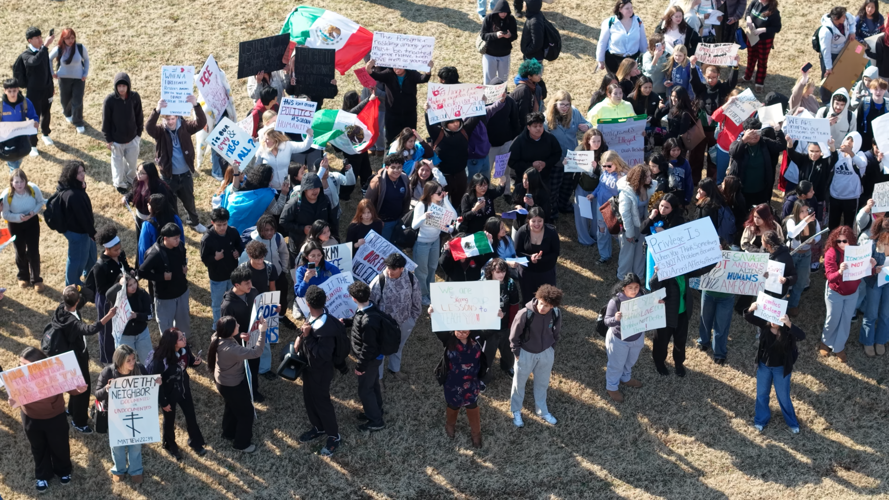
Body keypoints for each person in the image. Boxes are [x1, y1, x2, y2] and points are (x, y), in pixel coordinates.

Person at [10, 347, 88, 493]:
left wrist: (79, 390)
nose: (22, 369)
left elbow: (72, 389)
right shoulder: (17, 378)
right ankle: (43, 475)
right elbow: (15, 401)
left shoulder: (54, 373)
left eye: (27, 366)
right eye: (21, 365)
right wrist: (13, 401)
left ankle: (63, 470)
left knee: (60, 446)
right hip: (31, 419)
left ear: (40, 364)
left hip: (55, 418)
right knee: (38, 448)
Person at [53, 285, 117, 433]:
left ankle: (71, 410)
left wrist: (76, 288)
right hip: (76, 357)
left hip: (69, 356)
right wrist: (108, 315)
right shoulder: (73, 322)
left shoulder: (61, 308)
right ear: (77, 301)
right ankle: (79, 421)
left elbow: (88, 293)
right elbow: (91, 329)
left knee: (74, 385)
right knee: (82, 389)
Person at [95, 345, 158, 484]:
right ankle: (119, 469)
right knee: (117, 446)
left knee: (135, 445)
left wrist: (156, 383)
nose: (132, 363)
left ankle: (136, 470)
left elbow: (149, 385)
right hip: (115, 415)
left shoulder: (139, 368)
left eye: (133, 359)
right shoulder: (108, 372)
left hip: (135, 412)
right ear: (119, 360)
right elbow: (97, 395)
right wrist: (107, 388)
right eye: (128, 360)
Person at [145, 96, 208, 233]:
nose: (171, 122)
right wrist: (157, 110)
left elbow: (201, 122)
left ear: (178, 118)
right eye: (168, 119)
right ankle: (175, 224)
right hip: (168, 176)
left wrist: (196, 105)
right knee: (170, 203)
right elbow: (149, 128)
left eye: (173, 119)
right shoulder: (160, 131)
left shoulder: (185, 126)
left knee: (189, 201)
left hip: (185, 174)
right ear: (163, 119)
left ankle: (194, 222)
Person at [208, 315, 266, 453]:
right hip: (232, 385)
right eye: (236, 325)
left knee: (231, 406)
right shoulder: (231, 350)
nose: (239, 325)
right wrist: (262, 332)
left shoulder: (217, 337)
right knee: (246, 414)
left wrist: (240, 336)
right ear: (229, 331)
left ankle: (228, 433)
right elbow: (257, 352)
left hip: (223, 382)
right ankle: (241, 444)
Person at [744, 302, 804, 433]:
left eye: (776, 319)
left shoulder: (788, 332)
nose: (772, 321)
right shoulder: (765, 326)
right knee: (761, 394)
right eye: (771, 318)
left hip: (781, 369)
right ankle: (760, 419)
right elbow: (748, 317)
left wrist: (789, 324)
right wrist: (751, 308)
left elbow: (801, 336)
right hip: (764, 366)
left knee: (783, 397)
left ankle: (792, 422)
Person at [297, 285, 343, 455]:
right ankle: (319, 427)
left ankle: (333, 435)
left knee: (322, 402)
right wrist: (300, 337)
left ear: (308, 303)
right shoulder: (316, 315)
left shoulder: (327, 329)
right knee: (309, 398)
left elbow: (323, 354)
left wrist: (308, 337)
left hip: (321, 372)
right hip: (309, 369)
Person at [508, 284, 562, 427]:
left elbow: (556, 333)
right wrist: (517, 353)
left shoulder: (556, 313)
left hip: (546, 353)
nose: (542, 307)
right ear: (537, 298)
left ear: (552, 306)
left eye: (547, 306)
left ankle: (542, 411)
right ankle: (516, 410)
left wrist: (551, 349)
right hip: (525, 353)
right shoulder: (525, 313)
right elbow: (514, 336)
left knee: (542, 383)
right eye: (541, 303)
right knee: (519, 384)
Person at [150, 328, 206, 460]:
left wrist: (195, 362)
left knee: (191, 415)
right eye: (181, 338)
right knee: (169, 420)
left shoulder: (184, 349)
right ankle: (170, 445)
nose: (184, 339)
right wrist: (163, 402)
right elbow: (156, 383)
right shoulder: (159, 359)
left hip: (183, 388)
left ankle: (195, 442)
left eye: (183, 336)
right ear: (173, 342)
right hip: (169, 392)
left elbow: (189, 362)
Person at [821, 226, 874, 362]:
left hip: (852, 293)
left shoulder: (857, 253)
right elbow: (830, 277)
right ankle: (826, 342)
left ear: (851, 240)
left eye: (845, 241)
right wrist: (839, 272)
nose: (842, 244)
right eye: (838, 241)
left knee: (846, 320)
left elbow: (866, 273)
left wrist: (872, 267)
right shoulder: (831, 253)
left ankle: (839, 347)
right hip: (835, 292)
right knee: (833, 318)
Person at [84, 226, 133, 364]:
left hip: (121, 296)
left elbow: (126, 268)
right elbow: (102, 289)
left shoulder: (120, 255)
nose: (119, 252)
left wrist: (131, 273)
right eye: (115, 250)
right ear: (107, 249)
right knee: (108, 331)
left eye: (119, 249)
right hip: (107, 301)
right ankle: (108, 359)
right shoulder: (100, 266)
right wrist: (119, 283)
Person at [369, 253, 422, 380]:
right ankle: (379, 378)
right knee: (380, 350)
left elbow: (416, 299)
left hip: (404, 322)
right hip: (384, 326)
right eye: (388, 267)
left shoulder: (411, 278)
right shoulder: (379, 281)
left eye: (394, 268)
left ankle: (394, 369)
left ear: (402, 268)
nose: (390, 271)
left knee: (398, 346)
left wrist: (412, 319)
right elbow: (371, 305)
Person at [603, 273, 651, 401]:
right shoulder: (616, 301)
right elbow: (606, 321)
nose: (634, 291)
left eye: (636, 287)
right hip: (619, 339)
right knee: (616, 364)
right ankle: (611, 387)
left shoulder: (643, 297)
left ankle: (625, 378)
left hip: (637, 336)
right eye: (630, 287)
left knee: (630, 361)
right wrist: (615, 319)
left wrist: (657, 304)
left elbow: (650, 309)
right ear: (624, 287)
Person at [220, 265, 265, 402]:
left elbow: (260, 309)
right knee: (242, 371)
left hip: (253, 338)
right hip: (238, 345)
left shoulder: (253, 292)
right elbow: (224, 331)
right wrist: (239, 336)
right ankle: (245, 392)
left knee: (254, 365)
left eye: (250, 281)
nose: (250, 285)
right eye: (247, 283)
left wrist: (273, 309)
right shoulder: (227, 306)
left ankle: (254, 390)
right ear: (237, 285)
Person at [139, 223, 191, 339]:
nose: (178, 241)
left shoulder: (180, 246)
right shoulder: (155, 253)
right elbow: (142, 272)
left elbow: (183, 256)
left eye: (179, 237)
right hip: (165, 296)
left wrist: (184, 266)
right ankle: (169, 347)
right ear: (165, 238)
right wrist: (161, 277)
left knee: (183, 321)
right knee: (166, 325)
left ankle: (183, 342)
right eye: (175, 238)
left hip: (182, 291)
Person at [366, 57, 433, 145]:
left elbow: (423, 78)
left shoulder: (411, 73)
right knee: (391, 140)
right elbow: (375, 75)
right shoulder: (388, 74)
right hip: (392, 114)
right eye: (394, 66)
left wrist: (428, 70)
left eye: (399, 66)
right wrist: (368, 68)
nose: (396, 68)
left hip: (409, 114)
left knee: (410, 139)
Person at [545, 91, 592, 212]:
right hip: (556, 159)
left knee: (568, 185)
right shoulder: (546, 118)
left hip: (572, 158)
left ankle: (564, 205)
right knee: (554, 188)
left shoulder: (574, 112)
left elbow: (588, 124)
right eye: (562, 104)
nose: (565, 108)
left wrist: (587, 127)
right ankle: (553, 211)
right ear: (555, 104)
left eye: (568, 104)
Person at [280, 172, 339, 267]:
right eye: (311, 188)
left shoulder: (325, 200)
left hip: (322, 245)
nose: (315, 191)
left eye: (317, 187)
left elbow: (332, 220)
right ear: (304, 189)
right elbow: (283, 221)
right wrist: (302, 229)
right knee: (300, 269)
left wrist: (335, 238)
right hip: (299, 243)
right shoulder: (293, 204)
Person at [440, 328, 486, 447]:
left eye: (465, 332)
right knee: (453, 404)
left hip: (471, 381)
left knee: (472, 405)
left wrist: (498, 316)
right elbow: (437, 328)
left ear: (470, 331)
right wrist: (431, 313)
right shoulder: (449, 339)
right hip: (453, 382)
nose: (461, 334)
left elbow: (492, 330)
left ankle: (476, 433)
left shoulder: (477, 338)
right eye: (458, 331)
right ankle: (450, 425)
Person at [412, 181, 456, 304]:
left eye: (442, 191)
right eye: (439, 192)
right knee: (422, 271)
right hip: (422, 243)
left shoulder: (441, 204)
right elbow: (414, 225)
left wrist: (446, 199)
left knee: (432, 267)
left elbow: (454, 216)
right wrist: (424, 217)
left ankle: (430, 291)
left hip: (435, 241)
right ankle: (422, 294)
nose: (442, 194)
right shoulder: (422, 205)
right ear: (430, 193)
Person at [727, 116, 786, 207]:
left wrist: (777, 129)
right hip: (742, 191)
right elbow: (733, 152)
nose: (755, 135)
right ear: (744, 132)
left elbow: (781, 145)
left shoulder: (764, 142)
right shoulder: (739, 143)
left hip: (761, 191)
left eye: (758, 132)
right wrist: (744, 140)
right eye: (751, 133)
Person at [13, 27, 55, 154]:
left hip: (46, 90)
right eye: (37, 38)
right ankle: (32, 145)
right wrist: (46, 46)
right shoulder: (26, 55)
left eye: (40, 37)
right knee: (33, 118)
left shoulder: (43, 51)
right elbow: (34, 61)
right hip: (33, 93)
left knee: (46, 113)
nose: (40, 40)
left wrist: (51, 86)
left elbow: (47, 70)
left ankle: (46, 134)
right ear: (29, 40)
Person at [1, 168, 45, 291]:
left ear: (26, 181)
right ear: (11, 183)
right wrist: (18, 217)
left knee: (33, 251)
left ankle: (36, 279)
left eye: (22, 181)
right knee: (20, 250)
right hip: (15, 225)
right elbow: (5, 214)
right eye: (16, 182)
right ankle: (23, 277)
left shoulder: (33, 189)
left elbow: (40, 202)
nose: (19, 185)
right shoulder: (6, 195)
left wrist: (33, 213)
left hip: (32, 223)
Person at [200, 208, 244, 326]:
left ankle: (233, 323)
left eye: (224, 224)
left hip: (233, 275)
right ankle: (217, 325)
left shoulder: (233, 232)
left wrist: (237, 252)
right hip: (217, 278)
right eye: (219, 225)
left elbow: (240, 245)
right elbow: (204, 259)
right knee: (218, 303)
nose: (222, 228)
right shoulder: (207, 239)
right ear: (212, 222)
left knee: (234, 299)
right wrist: (215, 258)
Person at [102, 72, 144, 194]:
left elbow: (139, 115)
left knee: (132, 163)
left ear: (128, 86)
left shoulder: (135, 97)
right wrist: (108, 139)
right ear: (115, 87)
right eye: (119, 86)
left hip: (132, 139)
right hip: (116, 141)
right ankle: (119, 184)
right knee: (117, 165)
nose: (121, 89)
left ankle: (131, 181)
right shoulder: (109, 101)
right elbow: (106, 121)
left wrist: (138, 135)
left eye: (124, 86)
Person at [57, 161, 97, 287]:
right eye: (78, 173)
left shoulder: (70, 187)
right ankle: (71, 287)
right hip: (78, 233)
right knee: (77, 261)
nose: (82, 174)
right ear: (71, 175)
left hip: (81, 231)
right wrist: (92, 233)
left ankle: (91, 279)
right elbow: (83, 217)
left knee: (90, 256)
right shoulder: (74, 195)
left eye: (82, 171)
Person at [508, 112, 563, 203]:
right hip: (524, 180)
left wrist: (546, 163)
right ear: (528, 127)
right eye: (535, 126)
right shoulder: (519, 141)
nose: (538, 129)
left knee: (543, 202)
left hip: (544, 178)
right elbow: (512, 161)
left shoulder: (550, 138)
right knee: (523, 203)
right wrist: (530, 165)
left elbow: (557, 153)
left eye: (540, 126)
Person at [857, 202, 889, 356]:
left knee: (886, 314)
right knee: (871, 313)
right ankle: (868, 340)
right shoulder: (871, 244)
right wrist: (872, 268)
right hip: (875, 282)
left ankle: (881, 340)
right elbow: (862, 268)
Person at [618, 163, 657, 279]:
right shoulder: (626, 192)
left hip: (644, 224)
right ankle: (623, 277)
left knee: (641, 250)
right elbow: (625, 214)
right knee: (628, 251)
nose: (651, 179)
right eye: (648, 177)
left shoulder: (651, 186)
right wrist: (629, 233)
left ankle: (638, 276)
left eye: (650, 176)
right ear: (639, 179)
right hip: (630, 225)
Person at [571, 129, 609, 248]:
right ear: (588, 140)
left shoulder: (605, 151)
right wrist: (567, 163)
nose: (597, 144)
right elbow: (572, 168)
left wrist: (597, 168)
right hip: (582, 185)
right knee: (582, 212)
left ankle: (595, 235)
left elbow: (607, 170)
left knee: (596, 212)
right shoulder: (580, 150)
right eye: (594, 141)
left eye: (599, 141)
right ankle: (584, 238)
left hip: (598, 188)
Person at [784, 201, 822, 316]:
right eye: (802, 211)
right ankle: (781, 304)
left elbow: (819, 234)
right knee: (786, 280)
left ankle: (792, 305)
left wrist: (814, 240)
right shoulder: (791, 220)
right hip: (792, 254)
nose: (805, 214)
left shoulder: (813, 221)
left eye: (807, 210)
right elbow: (791, 233)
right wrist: (805, 222)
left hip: (806, 254)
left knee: (801, 282)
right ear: (796, 211)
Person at [515, 206, 560, 301]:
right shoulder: (522, 232)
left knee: (546, 299)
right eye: (533, 221)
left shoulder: (551, 232)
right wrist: (530, 257)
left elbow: (555, 252)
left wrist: (541, 259)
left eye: (539, 221)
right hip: (526, 272)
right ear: (528, 220)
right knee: (528, 299)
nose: (537, 224)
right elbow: (517, 252)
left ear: (544, 220)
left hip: (546, 272)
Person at [105, 275, 153, 363]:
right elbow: (108, 295)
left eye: (135, 283)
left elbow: (150, 315)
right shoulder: (118, 296)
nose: (134, 286)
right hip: (124, 336)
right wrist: (120, 284)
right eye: (129, 285)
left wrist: (137, 316)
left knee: (148, 361)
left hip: (142, 334)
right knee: (125, 363)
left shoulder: (142, 293)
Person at [49, 28, 89, 134]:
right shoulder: (59, 49)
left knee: (77, 99)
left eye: (72, 37)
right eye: (67, 38)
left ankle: (78, 121)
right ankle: (67, 113)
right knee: (65, 98)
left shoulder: (80, 48)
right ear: (63, 39)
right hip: (64, 78)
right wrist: (52, 72)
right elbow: (49, 59)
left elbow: (86, 59)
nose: (70, 40)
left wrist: (85, 73)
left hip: (79, 78)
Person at [592, 151, 628, 264]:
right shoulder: (604, 173)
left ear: (616, 163)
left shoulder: (622, 176)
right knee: (601, 231)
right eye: (604, 165)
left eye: (609, 165)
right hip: (601, 206)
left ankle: (625, 255)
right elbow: (600, 186)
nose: (606, 168)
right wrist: (593, 194)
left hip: (613, 209)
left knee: (616, 233)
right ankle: (604, 255)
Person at [365, 155, 411, 242]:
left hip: (399, 220)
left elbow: (407, 199)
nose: (396, 170)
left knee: (397, 244)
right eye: (393, 167)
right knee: (383, 247)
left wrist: (405, 217)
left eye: (399, 167)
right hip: (384, 223)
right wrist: (376, 220)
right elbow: (367, 203)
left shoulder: (404, 178)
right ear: (386, 167)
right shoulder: (377, 181)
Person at [827, 132, 867, 230]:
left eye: (852, 140)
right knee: (833, 224)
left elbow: (862, 164)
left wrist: (851, 153)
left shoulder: (860, 154)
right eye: (848, 139)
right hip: (835, 195)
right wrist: (831, 146)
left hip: (851, 197)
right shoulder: (837, 153)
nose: (849, 142)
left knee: (849, 226)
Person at [598, 0, 648, 74]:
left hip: (633, 60)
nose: (630, 10)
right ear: (620, 9)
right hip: (614, 60)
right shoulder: (610, 22)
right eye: (627, 8)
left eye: (631, 7)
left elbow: (642, 39)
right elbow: (602, 42)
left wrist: (645, 55)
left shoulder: (637, 21)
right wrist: (600, 60)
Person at [819, 7, 858, 103]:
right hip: (831, 55)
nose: (845, 17)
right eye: (843, 16)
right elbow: (825, 51)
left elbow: (853, 22)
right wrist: (828, 67)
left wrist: (852, 31)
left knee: (841, 75)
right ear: (836, 18)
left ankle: (838, 96)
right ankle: (826, 100)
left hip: (844, 50)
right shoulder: (826, 31)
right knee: (828, 78)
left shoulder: (847, 17)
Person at [742, 0, 782, 92]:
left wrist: (763, 30)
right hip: (751, 36)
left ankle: (759, 82)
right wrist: (748, 18)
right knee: (750, 57)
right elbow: (748, 11)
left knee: (762, 61)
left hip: (764, 40)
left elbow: (777, 27)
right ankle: (747, 77)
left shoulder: (774, 11)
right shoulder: (754, 3)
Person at [1, 78, 39, 172]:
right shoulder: (1, 105)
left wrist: (35, 123)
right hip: (6, 138)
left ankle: (15, 175)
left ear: (18, 89)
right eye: (9, 91)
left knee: (18, 159)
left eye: (14, 91)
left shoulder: (26, 102)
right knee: (14, 165)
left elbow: (33, 116)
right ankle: (15, 178)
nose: (12, 94)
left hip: (21, 137)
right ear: (5, 91)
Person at [137, 193, 184, 266]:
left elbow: (143, 247)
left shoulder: (147, 225)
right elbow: (181, 239)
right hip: (175, 259)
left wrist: (143, 265)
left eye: (149, 203)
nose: (147, 205)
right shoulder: (175, 219)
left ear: (155, 207)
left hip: (157, 262)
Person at [125, 162, 173, 232]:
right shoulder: (137, 180)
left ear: (150, 174)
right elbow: (133, 191)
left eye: (142, 173)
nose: (138, 174)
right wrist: (127, 197)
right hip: (140, 217)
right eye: (137, 170)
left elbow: (167, 204)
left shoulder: (160, 187)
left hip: (155, 221)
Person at [710, 93, 746, 183]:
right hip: (724, 147)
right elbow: (715, 116)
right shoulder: (727, 110)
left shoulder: (750, 112)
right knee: (720, 177)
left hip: (740, 148)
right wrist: (728, 104)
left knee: (737, 177)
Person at [481, 0, 518, 84]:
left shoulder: (511, 19)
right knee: (489, 80)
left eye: (505, 12)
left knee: (503, 80)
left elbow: (515, 36)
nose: (503, 14)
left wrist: (509, 36)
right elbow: (483, 35)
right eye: (501, 12)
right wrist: (495, 35)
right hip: (490, 54)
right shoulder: (489, 18)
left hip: (505, 55)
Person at [511, 59, 546, 130]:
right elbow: (523, 115)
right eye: (536, 74)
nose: (540, 75)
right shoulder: (523, 90)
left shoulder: (536, 84)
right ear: (529, 77)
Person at [662, 138, 694, 205]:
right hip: (665, 196)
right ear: (668, 150)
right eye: (673, 150)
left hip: (680, 195)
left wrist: (687, 197)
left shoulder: (685, 163)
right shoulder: (663, 162)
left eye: (678, 150)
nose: (676, 152)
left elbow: (689, 181)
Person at [642, 35, 669, 100]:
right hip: (651, 91)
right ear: (654, 46)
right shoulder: (647, 56)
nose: (663, 46)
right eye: (661, 44)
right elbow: (650, 70)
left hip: (664, 91)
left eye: (664, 43)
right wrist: (656, 57)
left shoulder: (667, 55)